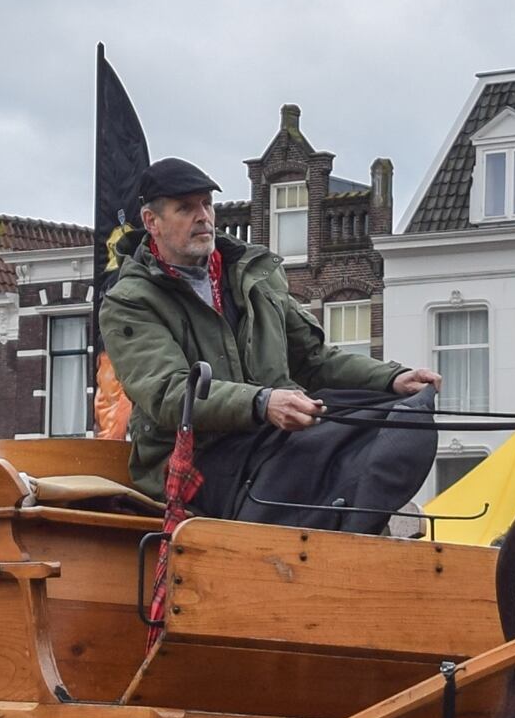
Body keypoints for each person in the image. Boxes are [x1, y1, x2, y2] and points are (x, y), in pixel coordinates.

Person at [96, 160, 438, 533]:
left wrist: (394, 380)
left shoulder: (252, 275)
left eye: (206, 204)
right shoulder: (129, 302)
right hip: (198, 456)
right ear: (151, 221)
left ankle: (357, 526)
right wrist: (262, 403)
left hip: (273, 440)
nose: (203, 217)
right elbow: (169, 394)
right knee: (313, 449)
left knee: (374, 416)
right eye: (185, 208)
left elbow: (312, 360)